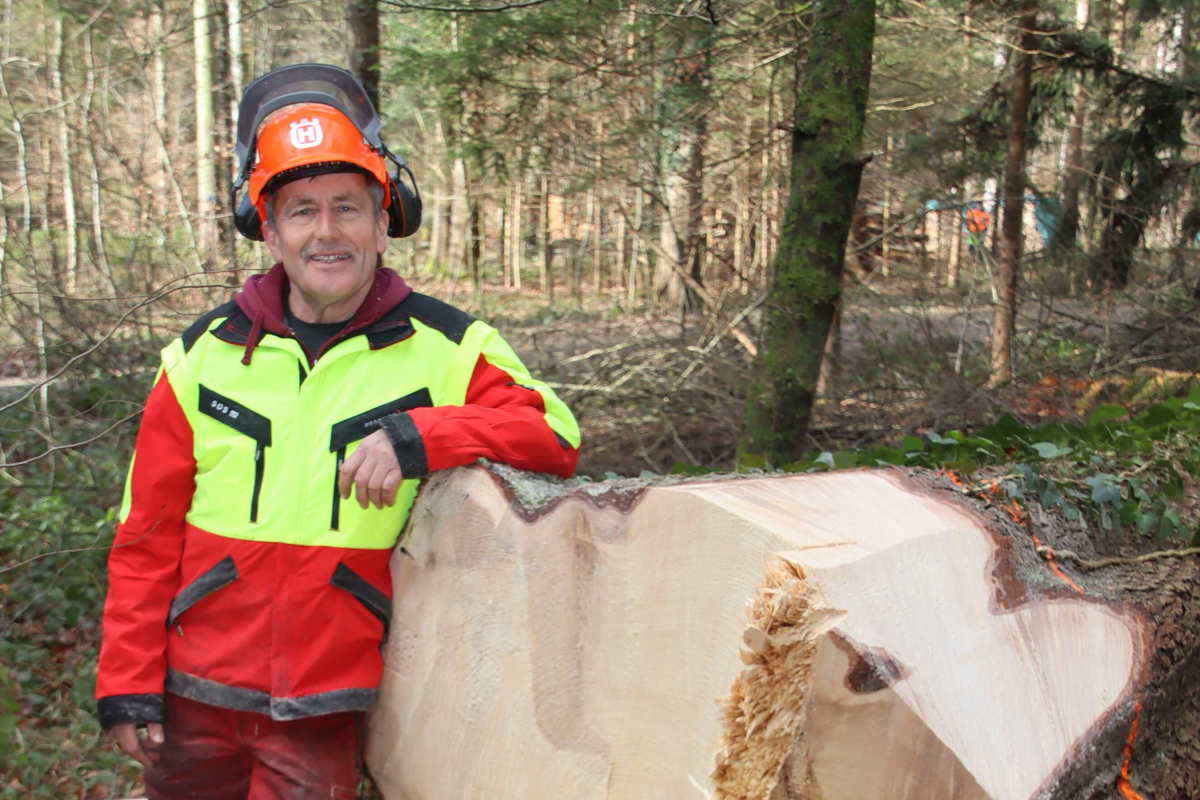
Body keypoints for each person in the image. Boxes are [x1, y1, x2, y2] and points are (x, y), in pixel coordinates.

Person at [94, 63, 581, 798]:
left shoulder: (447, 347)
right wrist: (127, 683)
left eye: (348, 208)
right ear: (269, 229)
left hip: (328, 701)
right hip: (193, 696)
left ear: (385, 220)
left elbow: (555, 434)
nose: (327, 232)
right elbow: (145, 535)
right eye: (302, 210)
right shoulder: (201, 357)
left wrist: (419, 435)